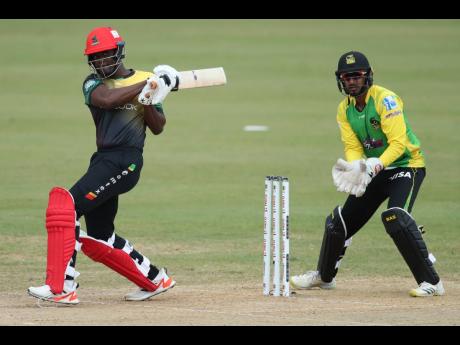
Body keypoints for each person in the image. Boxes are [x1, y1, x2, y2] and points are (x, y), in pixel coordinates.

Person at [28, 26, 180, 304]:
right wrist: (151, 85)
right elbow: (108, 101)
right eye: (95, 58)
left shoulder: (147, 79)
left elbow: (157, 127)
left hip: (126, 161)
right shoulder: (93, 83)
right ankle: (155, 279)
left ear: (118, 53)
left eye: (105, 56)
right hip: (103, 160)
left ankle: (62, 287)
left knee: (65, 206)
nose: (100, 62)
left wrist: (151, 97)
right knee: (99, 236)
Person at [290, 51, 444, 297]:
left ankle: (432, 282)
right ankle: (324, 275)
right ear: (340, 80)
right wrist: (357, 169)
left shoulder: (386, 100)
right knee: (337, 223)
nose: (351, 81)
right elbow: (353, 147)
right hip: (376, 169)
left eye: (356, 76)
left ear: (368, 76)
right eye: (346, 77)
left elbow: (399, 144)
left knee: (395, 217)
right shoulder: (344, 109)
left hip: (407, 165)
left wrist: (374, 166)